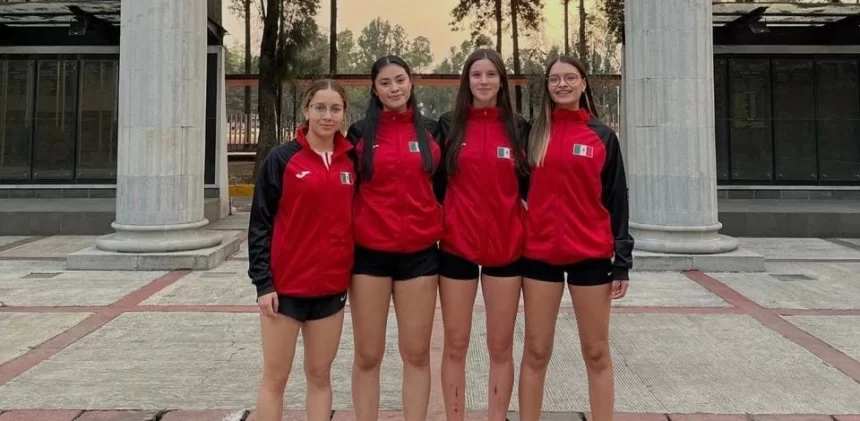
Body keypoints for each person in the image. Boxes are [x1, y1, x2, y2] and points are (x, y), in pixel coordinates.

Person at [517, 56, 634, 421]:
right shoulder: (532, 135)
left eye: (570, 78)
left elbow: (617, 200)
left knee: (596, 352)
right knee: (536, 351)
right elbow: (517, 191)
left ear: (584, 83)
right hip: (539, 256)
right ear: (547, 86)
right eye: (555, 79)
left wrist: (622, 263)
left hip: (591, 257)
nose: (562, 84)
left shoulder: (602, 137)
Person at [247, 79, 355, 421]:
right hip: (285, 291)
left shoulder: (351, 161)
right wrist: (263, 283)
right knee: (275, 379)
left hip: (331, 290)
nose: (327, 116)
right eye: (320, 108)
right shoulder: (282, 159)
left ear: (343, 114)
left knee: (320, 377)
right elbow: (260, 224)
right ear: (306, 111)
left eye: (334, 109)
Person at [433, 48, 529, 421]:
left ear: (501, 81)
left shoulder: (520, 126)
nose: (484, 81)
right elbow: (437, 185)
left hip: (507, 250)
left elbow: (530, 187)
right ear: (467, 81)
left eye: (491, 74)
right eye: (477, 75)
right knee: (455, 345)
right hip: (457, 247)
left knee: (500, 346)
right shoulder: (448, 125)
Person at [346, 55, 443, 421]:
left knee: (416, 354)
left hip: (419, 256)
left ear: (411, 83)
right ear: (374, 89)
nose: (394, 88)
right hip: (369, 257)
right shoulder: (359, 133)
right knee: (368, 354)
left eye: (400, 80)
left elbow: (445, 187)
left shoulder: (433, 131)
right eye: (385, 83)